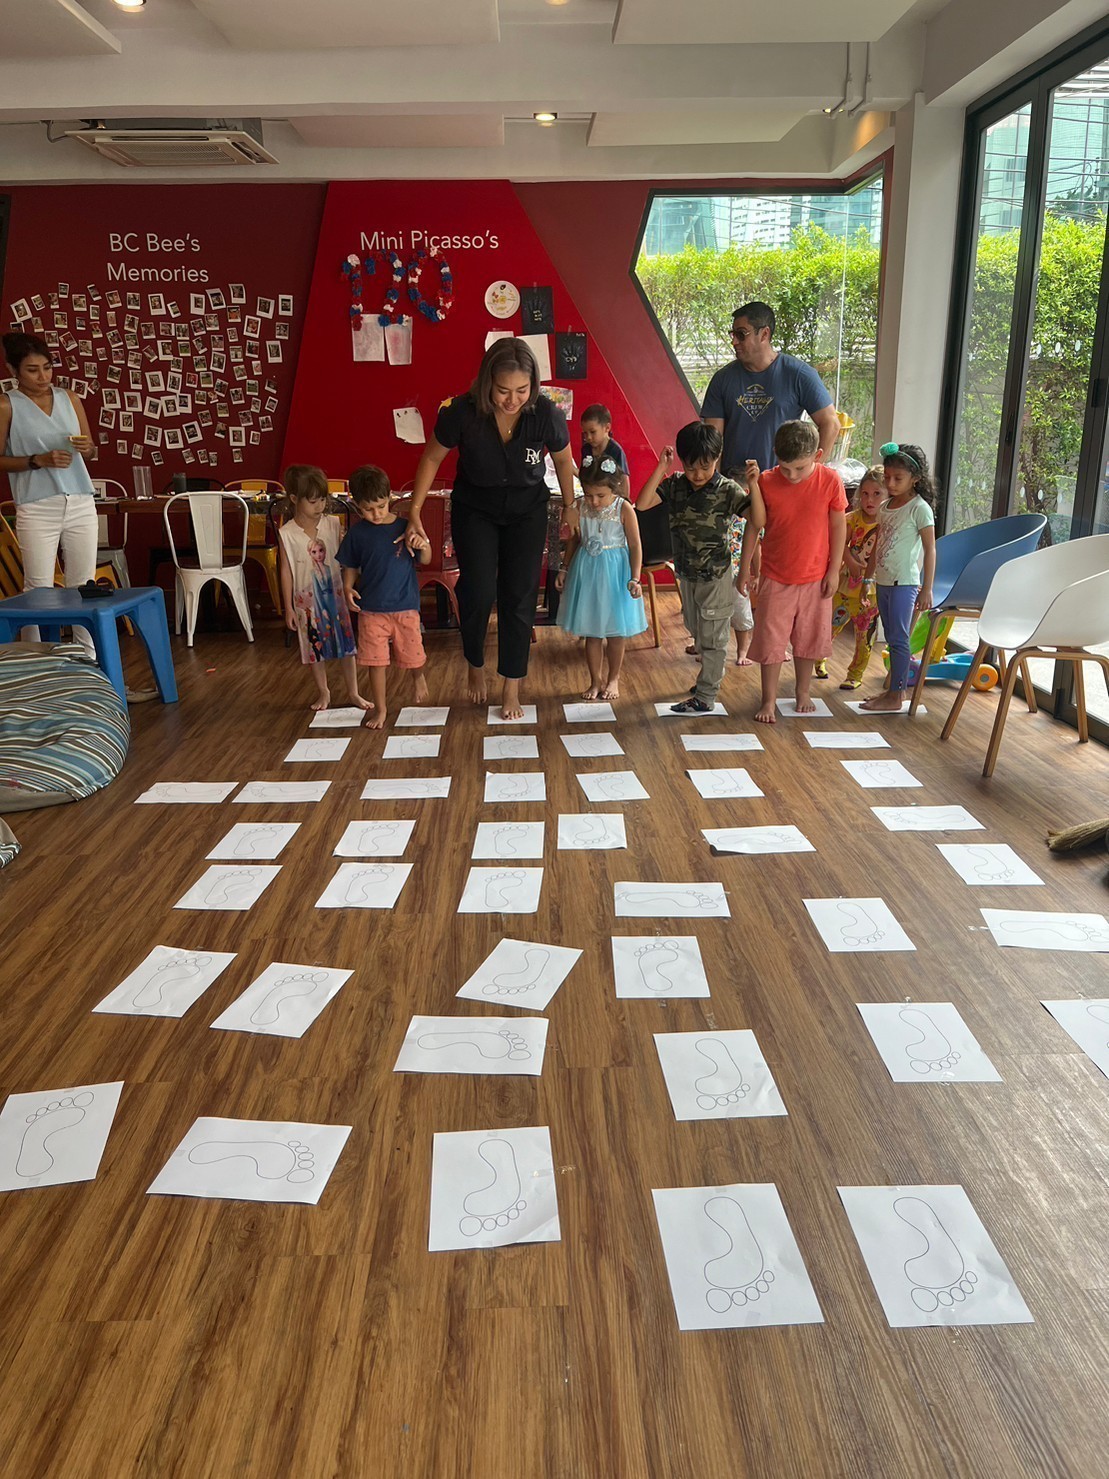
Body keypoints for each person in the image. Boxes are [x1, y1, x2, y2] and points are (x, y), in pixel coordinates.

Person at [404, 338, 576, 720]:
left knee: (519, 596)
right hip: (475, 509)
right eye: (503, 391)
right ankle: (474, 662)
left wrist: (569, 506)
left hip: (527, 511)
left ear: (533, 385)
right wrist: (414, 510)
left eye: (521, 390)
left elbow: (564, 461)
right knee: (478, 592)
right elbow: (431, 457)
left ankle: (511, 686)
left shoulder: (546, 412)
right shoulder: (462, 411)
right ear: (487, 384)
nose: (512, 400)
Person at [636, 421, 750, 714]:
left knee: (713, 638)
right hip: (686, 573)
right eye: (690, 467)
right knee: (697, 630)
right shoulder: (675, 485)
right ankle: (706, 682)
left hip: (715, 574)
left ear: (717, 458)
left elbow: (758, 519)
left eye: (705, 467)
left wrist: (757, 486)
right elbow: (643, 503)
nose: (697, 474)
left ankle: (706, 695)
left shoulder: (728, 490)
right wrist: (662, 468)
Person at [739, 419, 847, 724]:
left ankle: (803, 691)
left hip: (816, 577)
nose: (792, 475)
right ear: (775, 455)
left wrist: (834, 570)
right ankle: (768, 699)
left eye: (800, 468)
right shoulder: (766, 481)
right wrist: (745, 569)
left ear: (818, 455)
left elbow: (838, 526)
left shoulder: (830, 481)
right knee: (771, 641)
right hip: (775, 576)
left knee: (808, 640)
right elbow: (754, 526)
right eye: (785, 468)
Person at [0, 331, 98, 655]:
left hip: (81, 499)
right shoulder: (6, 405)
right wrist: (36, 460)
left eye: (47, 367)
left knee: (84, 585)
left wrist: (87, 448)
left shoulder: (70, 398)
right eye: (32, 369)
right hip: (36, 505)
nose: (42, 377)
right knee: (37, 587)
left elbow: (91, 450)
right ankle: (34, 658)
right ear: (13, 370)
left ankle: (87, 656)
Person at [339, 463, 432, 730]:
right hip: (371, 610)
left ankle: (418, 677)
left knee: (414, 654)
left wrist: (422, 544)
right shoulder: (357, 534)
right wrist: (347, 588)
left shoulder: (405, 526)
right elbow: (350, 565)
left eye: (381, 506)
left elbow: (426, 559)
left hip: (405, 606)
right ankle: (381, 709)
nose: (376, 514)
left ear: (390, 497)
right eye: (368, 509)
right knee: (375, 662)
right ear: (357, 506)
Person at [701, 301, 840, 475]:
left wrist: (809, 474)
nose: (734, 341)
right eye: (733, 334)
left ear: (764, 334)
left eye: (741, 334)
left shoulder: (798, 374)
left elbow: (831, 423)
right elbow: (713, 442)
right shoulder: (722, 379)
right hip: (735, 484)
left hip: (782, 481)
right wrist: (716, 485)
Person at [277, 464, 366, 712]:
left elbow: (346, 558)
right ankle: (323, 691)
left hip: (335, 596)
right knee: (313, 646)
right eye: (313, 501)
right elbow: (285, 570)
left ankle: (353, 692)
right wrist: (288, 608)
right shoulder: (286, 533)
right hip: (305, 601)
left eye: (322, 500)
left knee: (346, 645)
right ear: (294, 499)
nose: (320, 506)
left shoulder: (333, 524)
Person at [555, 455, 646, 700]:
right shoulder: (580, 506)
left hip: (616, 574)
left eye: (600, 496)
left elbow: (635, 545)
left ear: (614, 488)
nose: (594, 501)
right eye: (589, 495)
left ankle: (613, 679)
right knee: (592, 632)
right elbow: (574, 540)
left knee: (616, 632)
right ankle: (595, 681)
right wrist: (564, 568)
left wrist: (635, 578)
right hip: (587, 571)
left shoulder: (623, 508)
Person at [860, 442, 937, 714]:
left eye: (898, 479)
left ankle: (897, 695)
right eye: (888, 477)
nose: (890, 484)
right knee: (892, 638)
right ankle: (893, 690)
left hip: (904, 583)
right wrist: (867, 579)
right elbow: (878, 545)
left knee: (899, 639)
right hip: (883, 581)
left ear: (915, 479)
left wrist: (927, 588)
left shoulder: (919, 509)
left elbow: (930, 549)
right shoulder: (885, 507)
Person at [814, 465, 885, 689]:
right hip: (845, 584)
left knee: (864, 636)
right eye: (865, 493)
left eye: (877, 494)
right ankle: (818, 657)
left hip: (871, 590)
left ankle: (855, 674)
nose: (869, 499)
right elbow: (838, 541)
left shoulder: (888, 523)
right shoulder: (851, 519)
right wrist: (850, 562)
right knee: (829, 626)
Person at [578, 404, 629, 499]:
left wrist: (624, 502)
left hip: (610, 500)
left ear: (607, 428)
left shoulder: (616, 450)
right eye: (585, 433)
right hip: (592, 498)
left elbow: (624, 480)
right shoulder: (586, 449)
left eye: (593, 432)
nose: (588, 437)